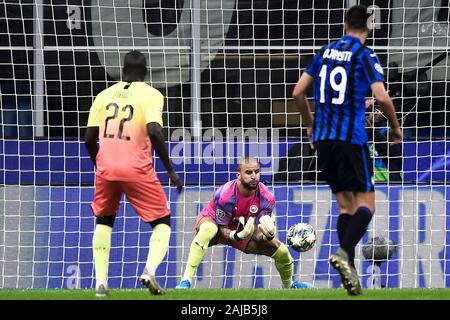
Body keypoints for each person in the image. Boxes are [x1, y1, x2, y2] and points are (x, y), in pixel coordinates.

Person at [292, 5, 402, 295]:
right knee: (367, 204)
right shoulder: (365, 56)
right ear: (370, 28)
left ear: (344, 24)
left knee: (345, 207)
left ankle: (349, 273)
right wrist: (395, 126)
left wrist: (310, 125)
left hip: (324, 140)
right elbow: (383, 98)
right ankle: (344, 253)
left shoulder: (325, 52)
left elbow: (297, 92)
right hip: (351, 140)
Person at [84, 50, 183, 297]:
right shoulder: (152, 95)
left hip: (105, 167)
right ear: (146, 71)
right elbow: (154, 130)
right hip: (136, 167)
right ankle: (149, 271)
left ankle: (101, 283)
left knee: (104, 220)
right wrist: (170, 169)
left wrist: (100, 163)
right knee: (162, 222)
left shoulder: (104, 95)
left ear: (122, 70)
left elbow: (88, 138)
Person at [175, 156, 313, 290]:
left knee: (281, 250)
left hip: (243, 228)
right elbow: (222, 228)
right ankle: (185, 281)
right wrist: (236, 236)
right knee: (208, 230)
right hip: (216, 223)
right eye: (248, 172)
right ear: (238, 175)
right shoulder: (225, 196)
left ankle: (289, 286)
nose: (254, 176)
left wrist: (267, 235)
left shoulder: (267, 198)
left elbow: (257, 233)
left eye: (257, 172)